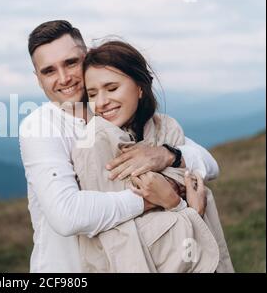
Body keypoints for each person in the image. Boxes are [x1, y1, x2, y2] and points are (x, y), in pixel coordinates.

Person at [19, 20, 220, 273]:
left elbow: (209, 164)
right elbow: (67, 215)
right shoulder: (39, 126)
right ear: (38, 79)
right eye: (49, 71)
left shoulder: (113, 114)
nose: (64, 78)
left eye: (71, 63)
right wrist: (161, 197)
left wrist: (167, 154)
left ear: (87, 57)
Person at [72, 40, 233, 272]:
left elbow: (205, 170)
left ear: (139, 87)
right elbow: (122, 242)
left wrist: (169, 163)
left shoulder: (167, 128)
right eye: (93, 94)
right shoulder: (95, 144)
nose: (102, 102)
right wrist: (185, 209)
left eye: (112, 88)